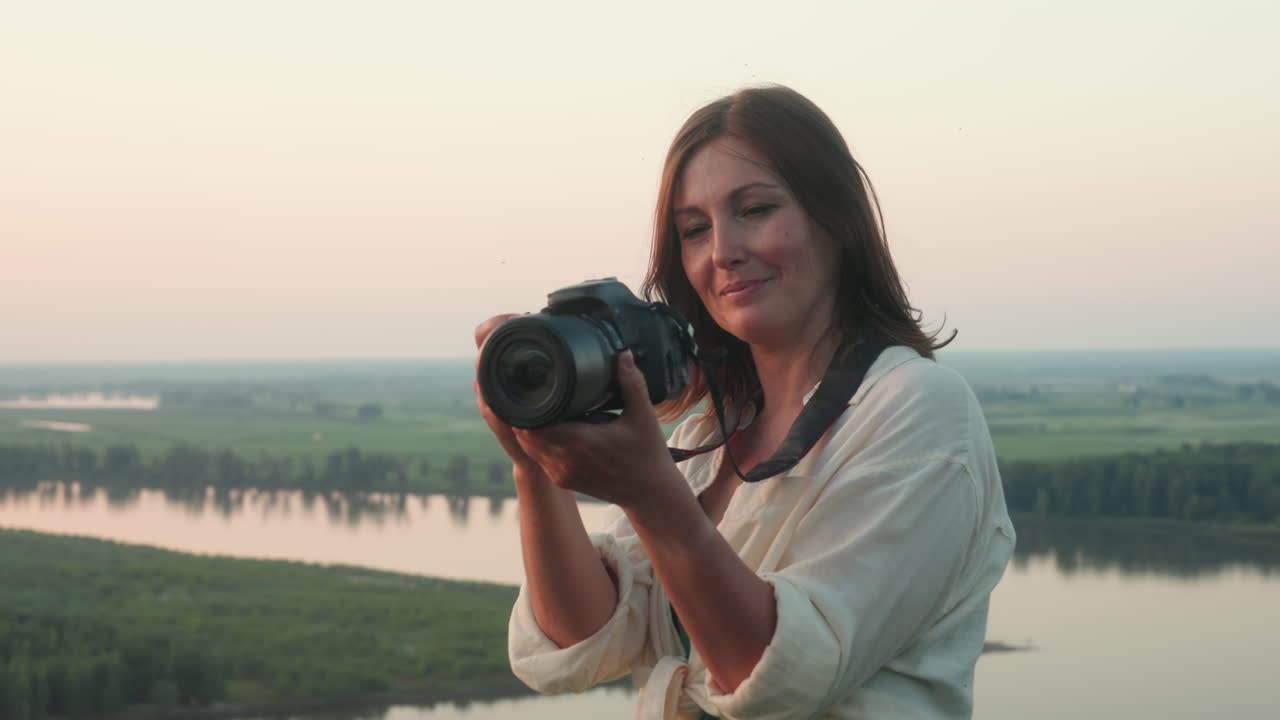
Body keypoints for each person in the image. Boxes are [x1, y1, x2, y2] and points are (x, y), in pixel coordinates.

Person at [474, 84, 1015, 719]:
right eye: (694, 229)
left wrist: (652, 496)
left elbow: (781, 677)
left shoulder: (917, 410)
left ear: (836, 220)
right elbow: (581, 639)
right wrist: (534, 464)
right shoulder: (710, 428)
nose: (723, 250)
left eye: (755, 210)